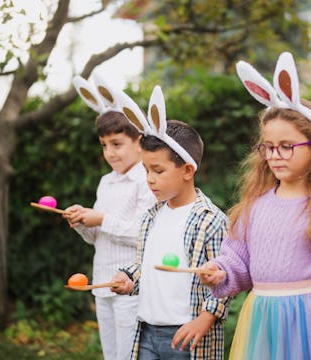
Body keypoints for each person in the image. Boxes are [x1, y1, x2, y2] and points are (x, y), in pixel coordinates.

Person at [198, 52, 311, 360]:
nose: (275, 155)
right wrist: (220, 273)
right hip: (262, 324)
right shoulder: (255, 205)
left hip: (309, 326)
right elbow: (238, 262)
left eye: (287, 147)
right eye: (269, 147)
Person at [109, 85, 231, 360]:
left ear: (188, 170)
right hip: (147, 331)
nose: (149, 179)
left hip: (188, 334)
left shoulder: (210, 220)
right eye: (146, 170)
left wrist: (205, 319)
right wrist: (129, 278)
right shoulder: (152, 215)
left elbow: (223, 282)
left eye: (158, 170)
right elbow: (146, 266)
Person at [66, 76, 156, 360]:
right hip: (102, 283)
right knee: (112, 355)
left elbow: (145, 232)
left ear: (138, 141)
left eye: (117, 144)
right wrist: (82, 223)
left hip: (131, 285)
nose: (110, 153)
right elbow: (96, 237)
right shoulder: (106, 182)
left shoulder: (146, 179)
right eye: (104, 145)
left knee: (130, 354)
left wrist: (101, 218)